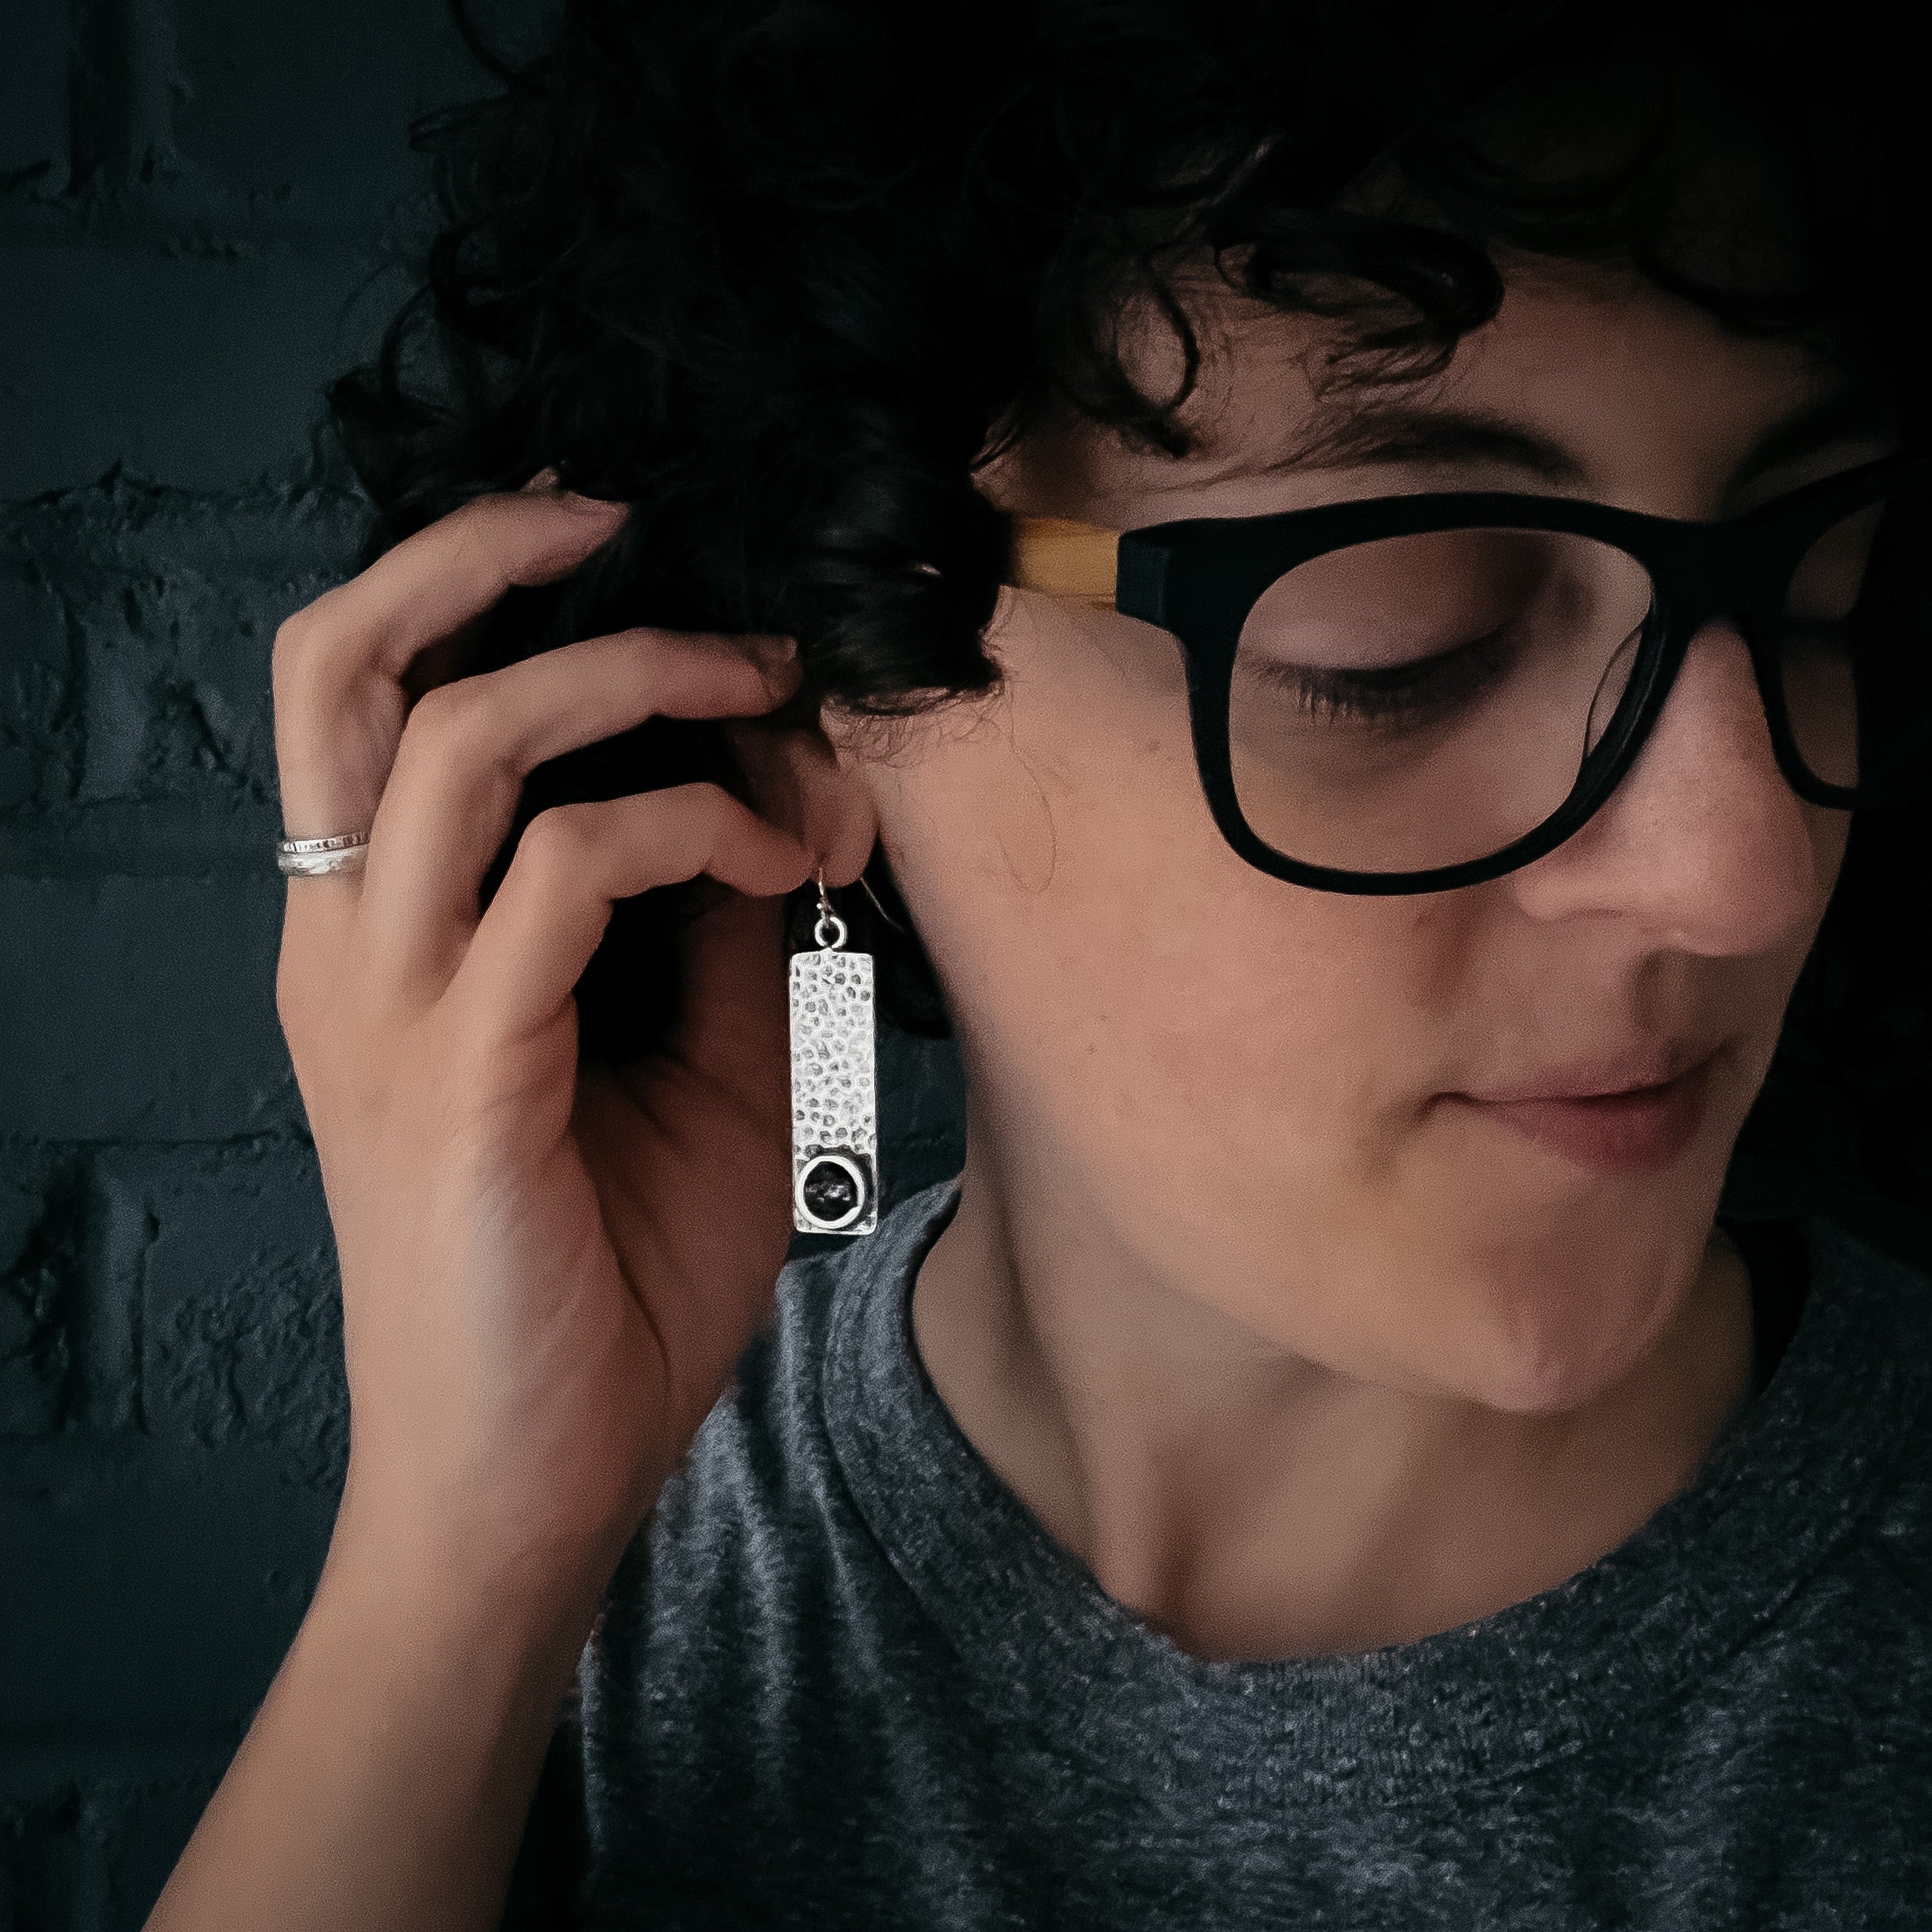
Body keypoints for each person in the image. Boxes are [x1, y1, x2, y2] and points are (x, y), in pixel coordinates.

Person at [147, 1, 1932, 1925]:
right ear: (819, 689)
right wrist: (455, 1570)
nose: (1744, 869)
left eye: (1816, 589)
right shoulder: (601, 1575)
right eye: (1392, 634)